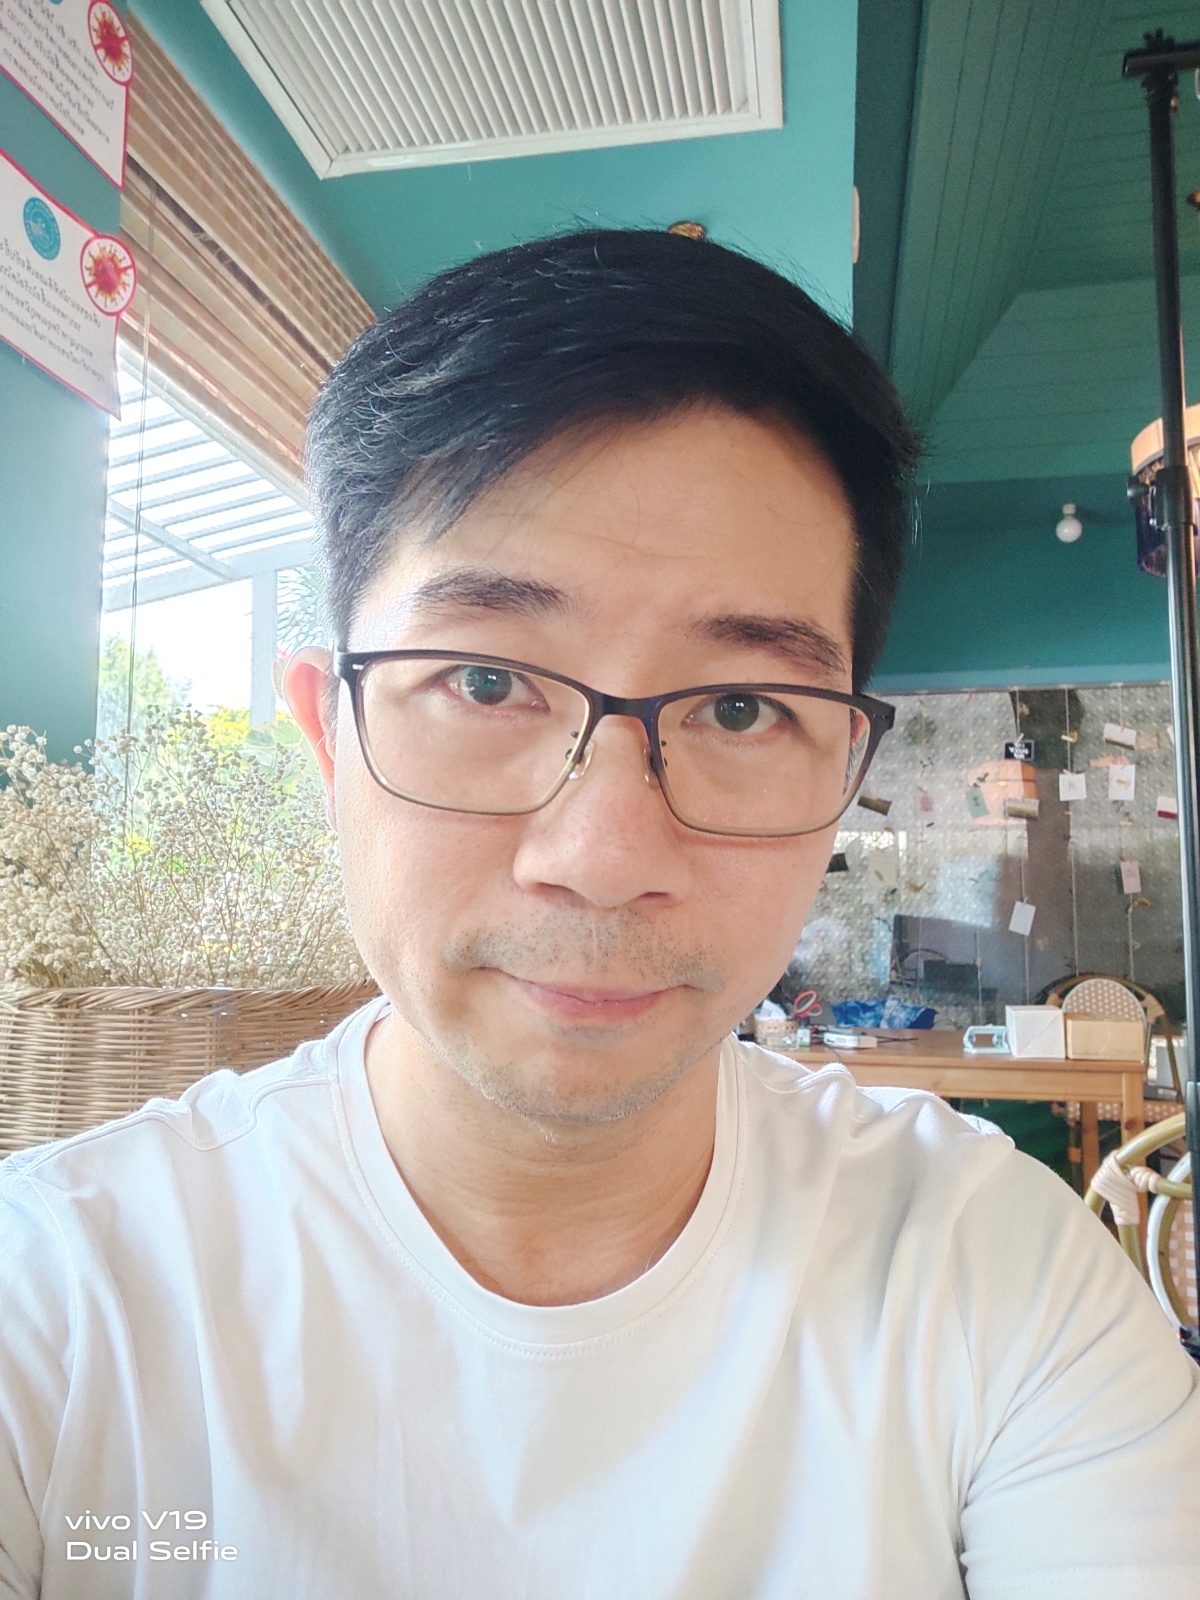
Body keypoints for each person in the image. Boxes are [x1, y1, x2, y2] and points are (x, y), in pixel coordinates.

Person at [1, 229, 1198, 1600]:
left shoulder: (994, 1276)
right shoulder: (57, 1303)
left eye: (741, 707)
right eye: (486, 682)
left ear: (845, 774)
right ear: (330, 739)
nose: (605, 856)